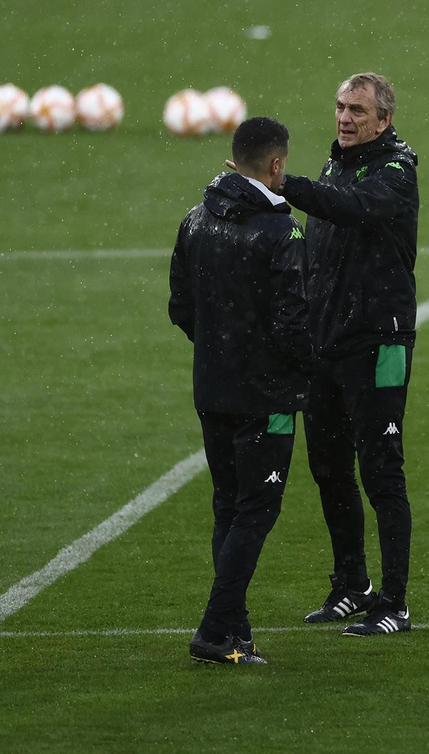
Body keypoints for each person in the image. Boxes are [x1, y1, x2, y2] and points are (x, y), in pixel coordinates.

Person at [169, 116, 315, 666]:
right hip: (267, 397)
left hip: (212, 387)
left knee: (228, 506)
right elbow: (293, 324)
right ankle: (214, 630)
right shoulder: (282, 231)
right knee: (256, 510)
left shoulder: (194, 219)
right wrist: (304, 373)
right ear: (277, 165)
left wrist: (220, 349)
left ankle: (236, 631)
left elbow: (180, 307)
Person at [282, 72, 420, 637]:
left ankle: (395, 602)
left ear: (383, 119)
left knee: (382, 473)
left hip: (378, 342)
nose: (344, 118)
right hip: (325, 344)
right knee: (329, 468)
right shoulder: (336, 163)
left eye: (358, 111)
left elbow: (353, 209)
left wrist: (281, 184)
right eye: (340, 107)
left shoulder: (394, 171)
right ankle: (351, 584)